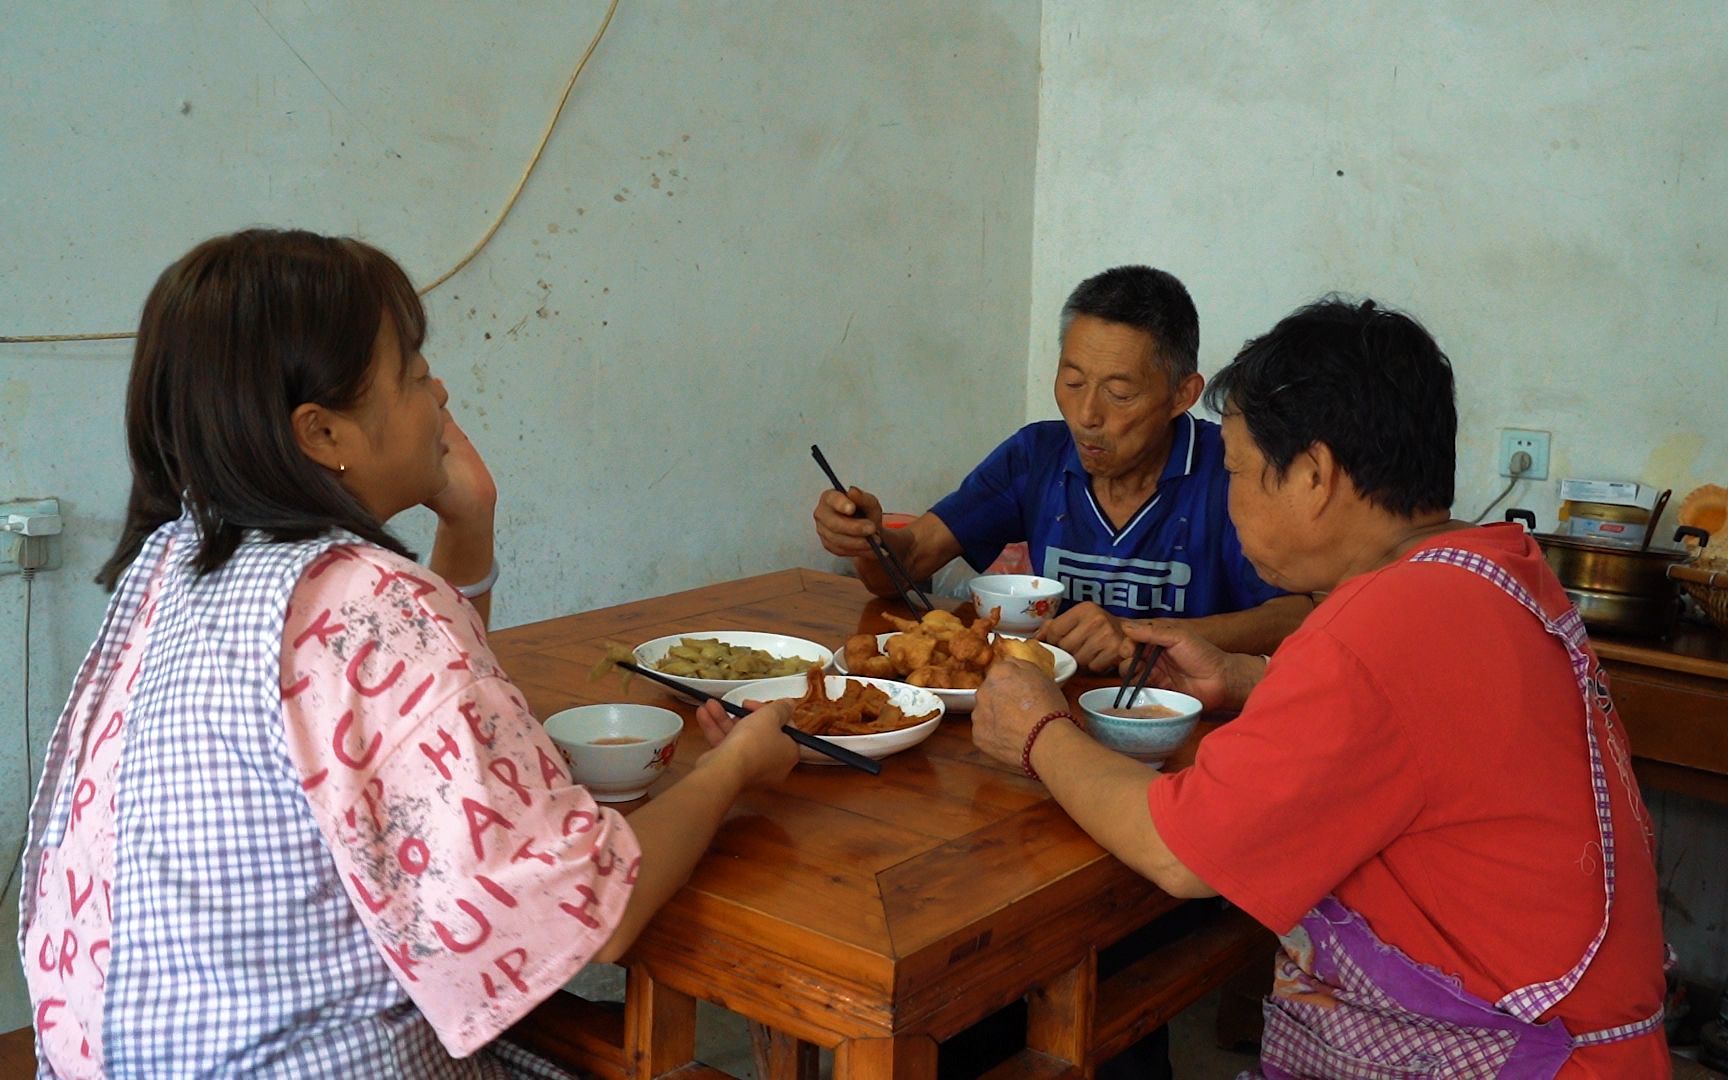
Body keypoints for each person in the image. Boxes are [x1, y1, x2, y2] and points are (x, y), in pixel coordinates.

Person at [19, 229, 798, 1077]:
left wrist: (468, 522)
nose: (441, 393)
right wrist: (733, 772)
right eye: (417, 374)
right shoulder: (370, 600)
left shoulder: (179, 560)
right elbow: (585, 918)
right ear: (320, 434)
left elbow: (398, 724)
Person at [971, 297, 1670, 1077]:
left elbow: (1179, 855)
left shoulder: (1376, 624)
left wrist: (1037, 732)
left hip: (1514, 1056)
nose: (1231, 501)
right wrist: (1248, 680)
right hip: (1575, 1036)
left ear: (1314, 474)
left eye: (1236, 473)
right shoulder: (1492, 568)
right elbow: (1425, 727)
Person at [813, 265, 1312, 670]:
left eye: (1119, 394)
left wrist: (1143, 635)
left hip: (1178, 719)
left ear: (1183, 394)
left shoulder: (1229, 470)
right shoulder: (1036, 456)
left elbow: (1301, 613)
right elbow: (911, 559)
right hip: (1041, 700)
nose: (1088, 416)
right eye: (1072, 383)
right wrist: (868, 538)